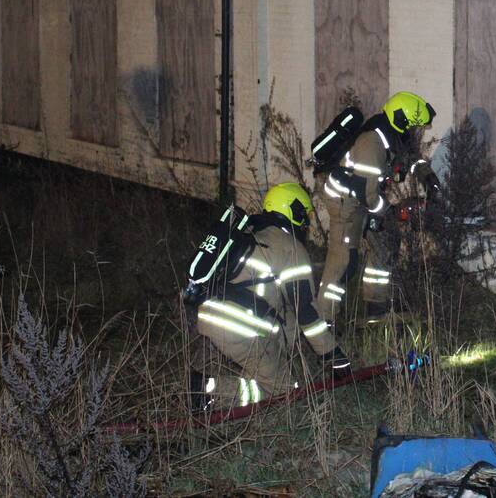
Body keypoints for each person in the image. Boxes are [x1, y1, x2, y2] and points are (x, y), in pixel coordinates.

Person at [186, 183, 349, 410]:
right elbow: (306, 312)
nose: (306, 223)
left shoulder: (252, 232)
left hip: (214, 315)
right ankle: (206, 390)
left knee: (269, 372)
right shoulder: (291, 248)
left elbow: (283, 307)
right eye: (304, 215)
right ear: (293, 212)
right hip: (239, 326)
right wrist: (333, 354)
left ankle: (228, 382)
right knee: (285, 391)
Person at [318, 91, 440, 325]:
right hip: (345, 203)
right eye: (413, 126)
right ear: (402, 120)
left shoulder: (394, 135)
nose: (414, 131)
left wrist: (428, 177)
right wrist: (392, 212)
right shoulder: (371, 143)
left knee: (385, 241)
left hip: (364, 198)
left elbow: (411, 158)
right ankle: (324, 320)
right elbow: (369, 195)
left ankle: (377, 305)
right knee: (343, 261)